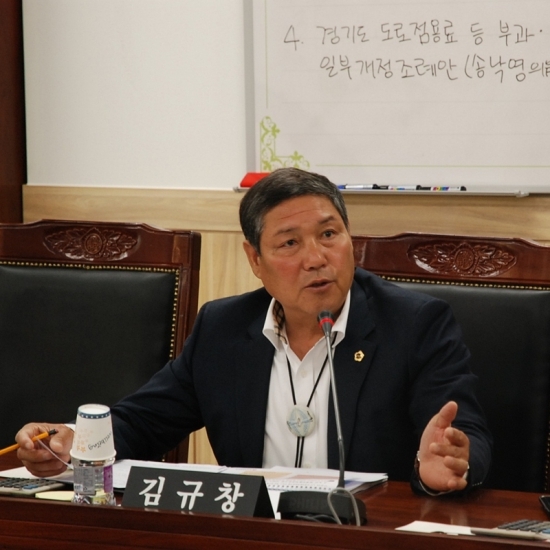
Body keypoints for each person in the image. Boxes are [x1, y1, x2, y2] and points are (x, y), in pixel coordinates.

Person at [16, 167, 492, 495]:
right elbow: (142, 422)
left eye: (329, 234)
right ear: (255, 260)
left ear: (351, 240)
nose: (316, 258)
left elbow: (465, 434)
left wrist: (444, 466)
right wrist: (72, 441)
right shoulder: (223, 329)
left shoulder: (414, 324)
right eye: (289, 243)